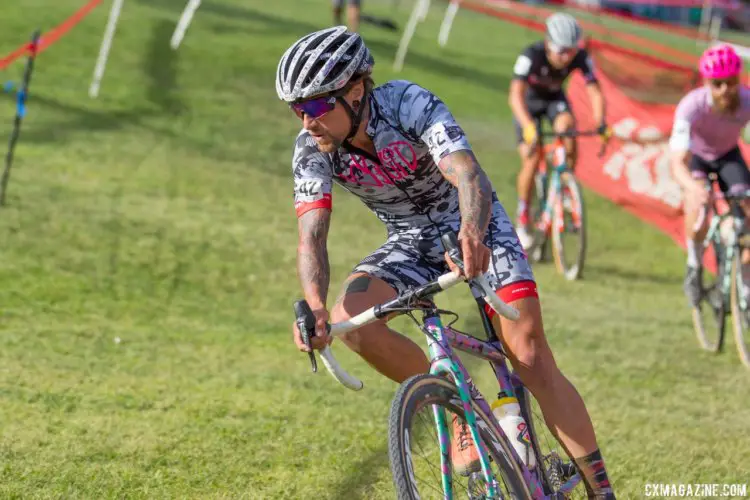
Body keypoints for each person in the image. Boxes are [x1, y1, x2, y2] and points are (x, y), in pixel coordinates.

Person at [277, 26, 615, 498]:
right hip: (411, 240)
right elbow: (312, 236)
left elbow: (467, 174)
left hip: (474, 220)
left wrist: (473, 234)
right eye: (297, 109)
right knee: (347, 320)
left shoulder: (406, 103)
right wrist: (313, 304)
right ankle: (455, 402)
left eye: (314, 106)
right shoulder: (311, 148)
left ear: (355, 90)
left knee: (531, 354)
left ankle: (602, 490)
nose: (306, 121)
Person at [509, 12, 610, 249]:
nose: (566, 58)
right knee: (532, 159)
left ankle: (565, 185)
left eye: (571, 52)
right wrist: (528, 127)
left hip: (555, 101)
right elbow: (515, 96)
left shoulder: (581, 57)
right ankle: (523, 217)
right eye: (561, 51)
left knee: (567, 129)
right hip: (528, 106)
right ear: (548, 43)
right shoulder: (530, 55)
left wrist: (601, 123)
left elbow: (595, 90)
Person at [669, 43, 750, 306]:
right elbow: (677, 161)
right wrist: (693, 188)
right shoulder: (691, 106)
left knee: (747, 211)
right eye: (717, 84)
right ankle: (694, 264)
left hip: (728, 156)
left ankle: (745, 281)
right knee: (699, 209)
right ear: (707, 83)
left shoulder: (747, 101)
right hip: (698, 159)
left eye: (731, 82)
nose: (725, 89)